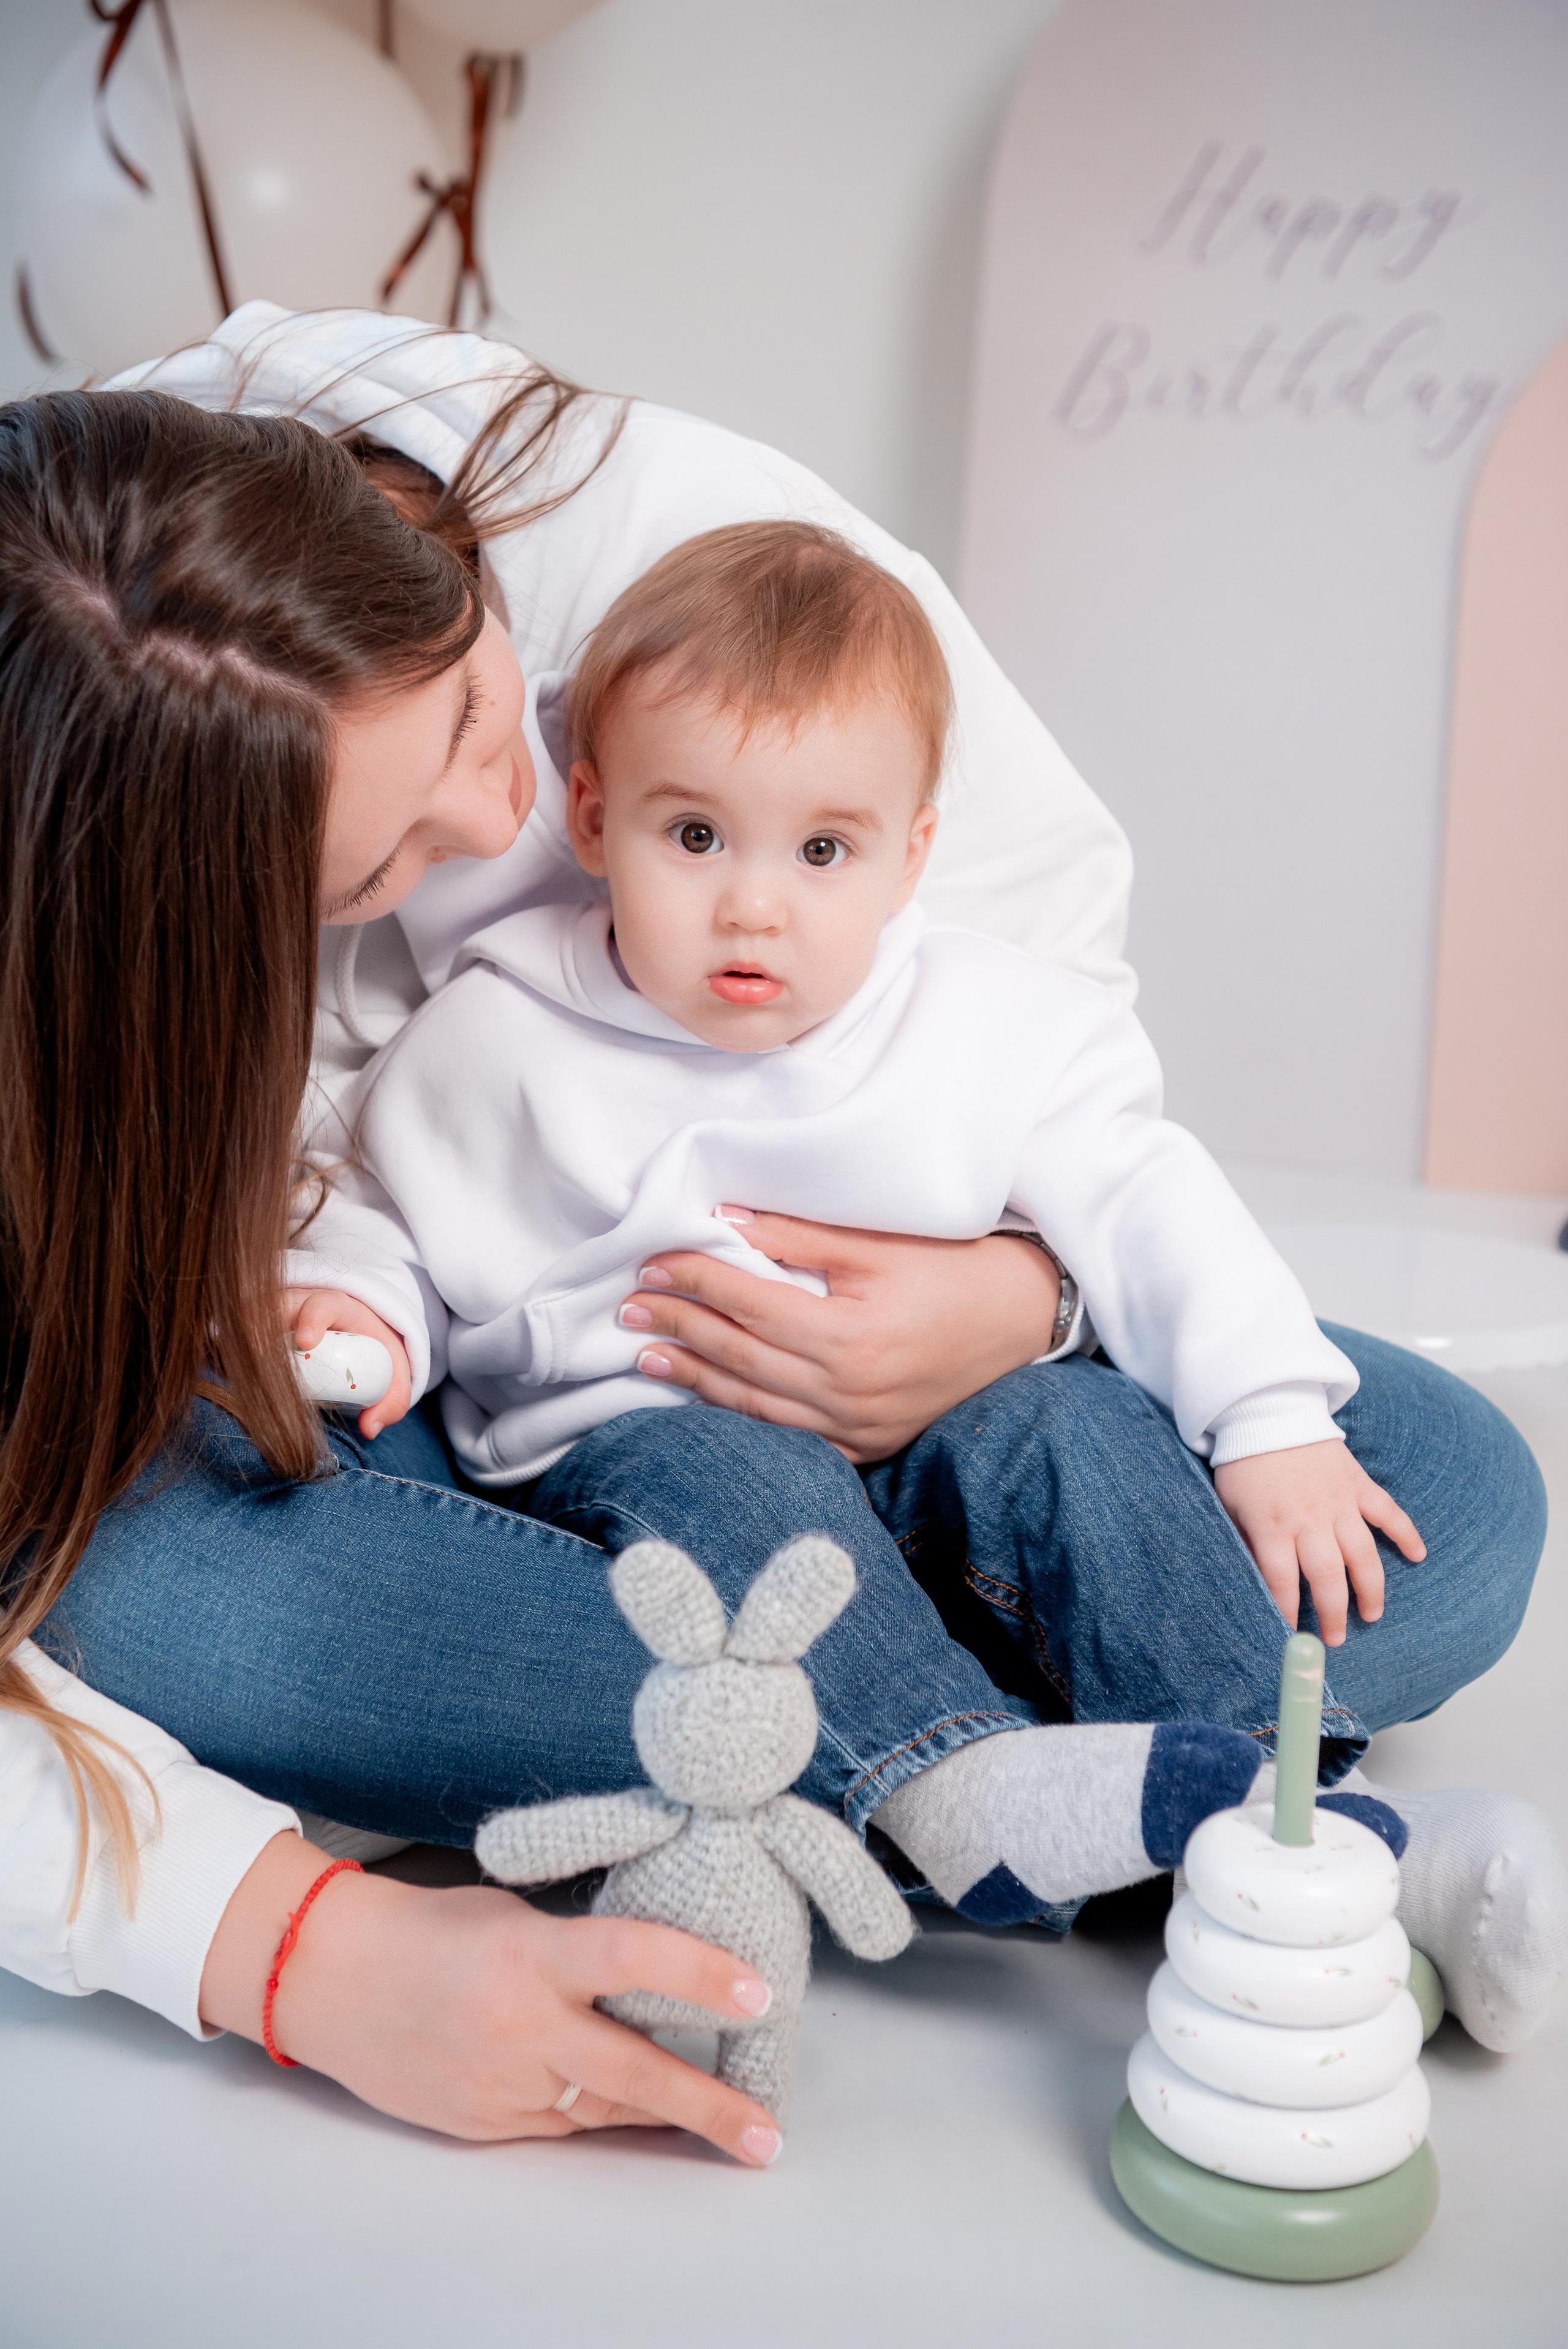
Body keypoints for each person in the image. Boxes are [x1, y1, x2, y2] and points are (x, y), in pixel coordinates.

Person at [0, 312, 1553, 2165]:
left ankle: (881, 1775)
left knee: (1446, 1494)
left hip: (957, 1367)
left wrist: (1017, 1305)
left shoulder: (689, 547)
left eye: (492, 713)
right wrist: (292, 1946)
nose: (518, 822)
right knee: (142, 1585)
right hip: (550, 1403)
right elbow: (398, 1207)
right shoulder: (439, 1032)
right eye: (380, 875)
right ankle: (1117, 1781)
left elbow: (1041, 1013)